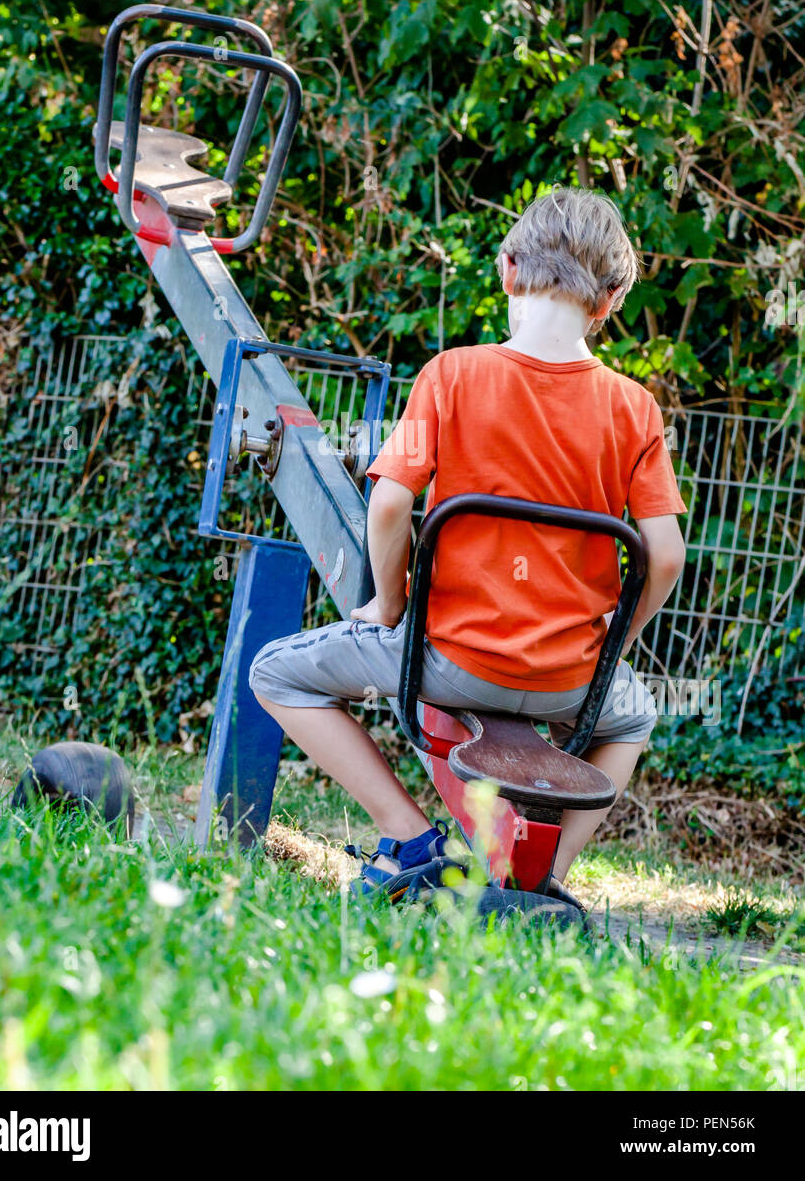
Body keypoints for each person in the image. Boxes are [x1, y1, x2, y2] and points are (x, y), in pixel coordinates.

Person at [250, 187, 687, 901]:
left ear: (507, 269)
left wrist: (389, 605)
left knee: (276, 673)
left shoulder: (450, 376)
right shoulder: (635, 410)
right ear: (608, 302)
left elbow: (390, 506)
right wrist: (613, 647)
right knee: (634, 716)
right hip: (570, 682)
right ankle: (544, 879)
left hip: (448, 662)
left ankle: (409, 837)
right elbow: (665, 557)